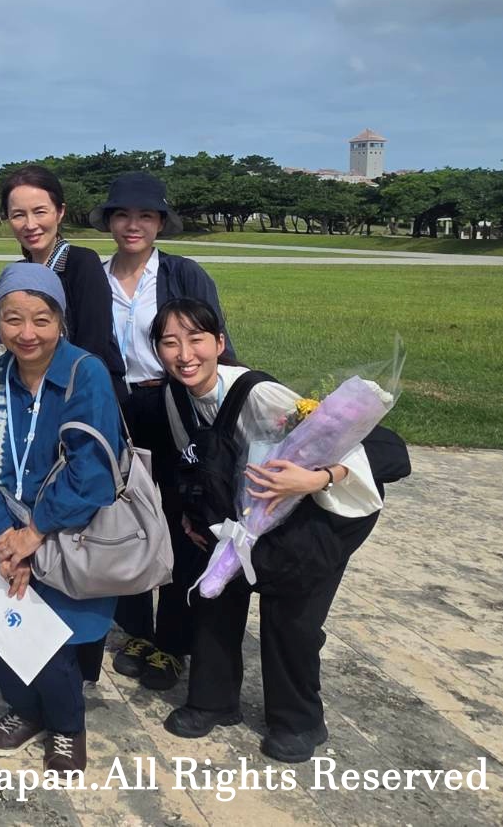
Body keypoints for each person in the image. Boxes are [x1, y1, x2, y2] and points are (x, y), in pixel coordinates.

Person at [153, 298, 393, 763]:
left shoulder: (260, 395)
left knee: (292, 620)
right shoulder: (174, 397)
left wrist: (314, 478)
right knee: (216, 597)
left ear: (219, 343)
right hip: (249, 519)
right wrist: (191, 514)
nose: (184, 355)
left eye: (196, 339)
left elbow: (379, 448)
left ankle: (300, 720)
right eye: (169, 343)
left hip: (318, 518)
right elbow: (198, 462)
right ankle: (213, 701)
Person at [0, 263, 121, 773]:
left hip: (69, 529)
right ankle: (25, 711)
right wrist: (4, 536)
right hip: (5, 531)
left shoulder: (84, 374)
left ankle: (67, 726)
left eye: (41, 320)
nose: (27, 333)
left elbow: (92, 469)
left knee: (53, 642)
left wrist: (36, 533)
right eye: (13, 319)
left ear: (60, 321)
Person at [91, 172, 236, 691]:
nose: (133, 225)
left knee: (182, 519)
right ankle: (137, 628)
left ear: (159, 222)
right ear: (110, 221)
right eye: (123, 215)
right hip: (117, 406)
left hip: (175, 402)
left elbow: (212, 341)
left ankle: (174, 639)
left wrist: (224, 409)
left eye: (145, 216)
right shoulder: (95, 277)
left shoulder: (181, 273)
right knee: (125, 515)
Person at [2, 165, 125, 682]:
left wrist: (61, 405)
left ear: (60, 212)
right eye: (18, 214)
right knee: (43, 522)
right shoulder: (20, 270)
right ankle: (41, 653)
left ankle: (79, 664)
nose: (30, 223)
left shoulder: (82, 264)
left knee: (79, 527)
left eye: (40, 211)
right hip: (36, 408)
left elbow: (92, 346)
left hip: (82, 406)